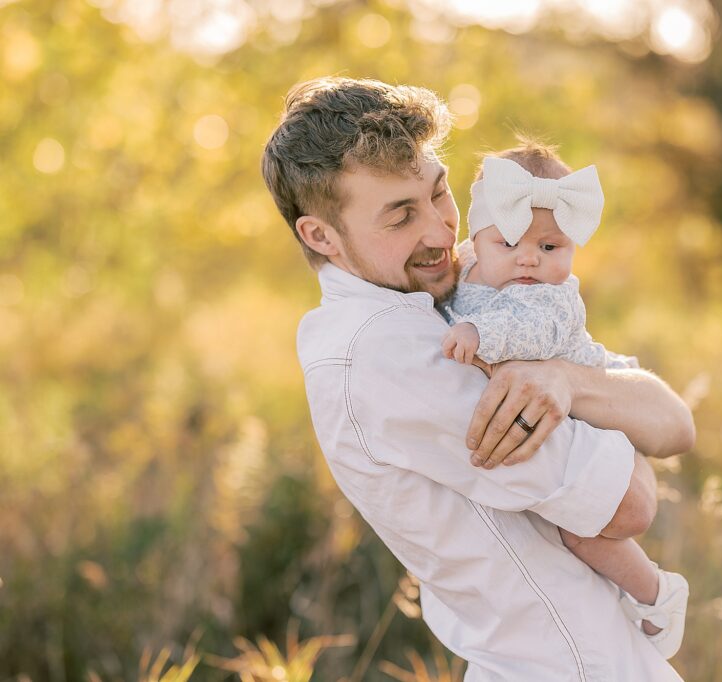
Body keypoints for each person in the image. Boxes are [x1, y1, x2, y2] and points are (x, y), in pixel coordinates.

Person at [261, 76, 696, 681]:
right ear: (320, 236)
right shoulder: (386, 353)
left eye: (439, 194)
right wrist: (600, 400)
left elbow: (674, 424)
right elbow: (629, 502)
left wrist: (566, 380)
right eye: (400, 216)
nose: (442, 234)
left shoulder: (452, 290)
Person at [442, 142, 689, 657]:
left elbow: (532, 331)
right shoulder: (465, 265)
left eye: (551, 248)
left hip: (591, 395)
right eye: (509, 243)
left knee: (580, 532)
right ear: (475, 238)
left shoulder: (549, 295)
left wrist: (476, 333)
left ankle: (656, 594)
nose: (529, 258)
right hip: (559, 402)